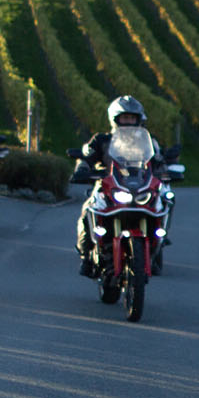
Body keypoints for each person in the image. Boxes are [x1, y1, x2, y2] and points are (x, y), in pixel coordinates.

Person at [73, 95, 163, 273]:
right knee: (88, 211)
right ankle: (85, 256)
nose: (128, 121)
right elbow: (87, 157)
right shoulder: (101, 140)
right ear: (115, 119)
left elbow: (158, 160)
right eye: (124, 118)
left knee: (161, 206)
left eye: (132, 118)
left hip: (140, 187)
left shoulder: (148, 142)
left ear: (138, 120)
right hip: (108, 187)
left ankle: (155, 251)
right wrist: (82, 168)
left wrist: (166, 171)